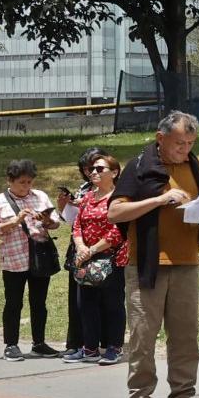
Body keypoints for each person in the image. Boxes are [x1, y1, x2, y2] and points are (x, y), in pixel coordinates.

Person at [108, 111, 199, 398]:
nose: (185, 149)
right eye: (179, 143)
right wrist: (159, 200)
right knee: (143, 336)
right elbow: (115, 212)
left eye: (190, 143)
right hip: (147, 265)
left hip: (187, 262)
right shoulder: (139, 167)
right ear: (161, 139)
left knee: (185, 336)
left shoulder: (197, 167)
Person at [0, 159, 60, 362]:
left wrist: (46, 221)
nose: (26, 186)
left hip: (40, 257)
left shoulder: (41, 196)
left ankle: (39, 343)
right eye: (22, 182)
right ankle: (11, 344)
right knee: (13, 303)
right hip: (13, 258)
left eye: (29, 182)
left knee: (39, 303)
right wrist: (14, 222)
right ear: (10, 180)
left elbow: (55, 224)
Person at [72, 153, 128, 365]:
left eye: (100, 169)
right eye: (92, 169)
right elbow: (77, 225)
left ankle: (114, 346)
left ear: (114, 173)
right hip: (86, 258)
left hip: (111, 258)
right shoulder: (87, 197)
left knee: (113, 304)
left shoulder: (118, 198)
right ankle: (90, 347)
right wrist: (81, 247)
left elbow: (118, 231)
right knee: (86, 304)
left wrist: (93, 249)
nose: (93, 172)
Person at [56, 146, 106, 362]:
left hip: (104, 251)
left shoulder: (114, 189)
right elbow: (72, 221)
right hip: (79, 250)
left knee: (105, 301)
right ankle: (77, 343)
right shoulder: (84, 188)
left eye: (97, 166)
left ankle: (103, 343)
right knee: (77, 300)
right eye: (87, 169)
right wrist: (64, 206)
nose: (92, 172)